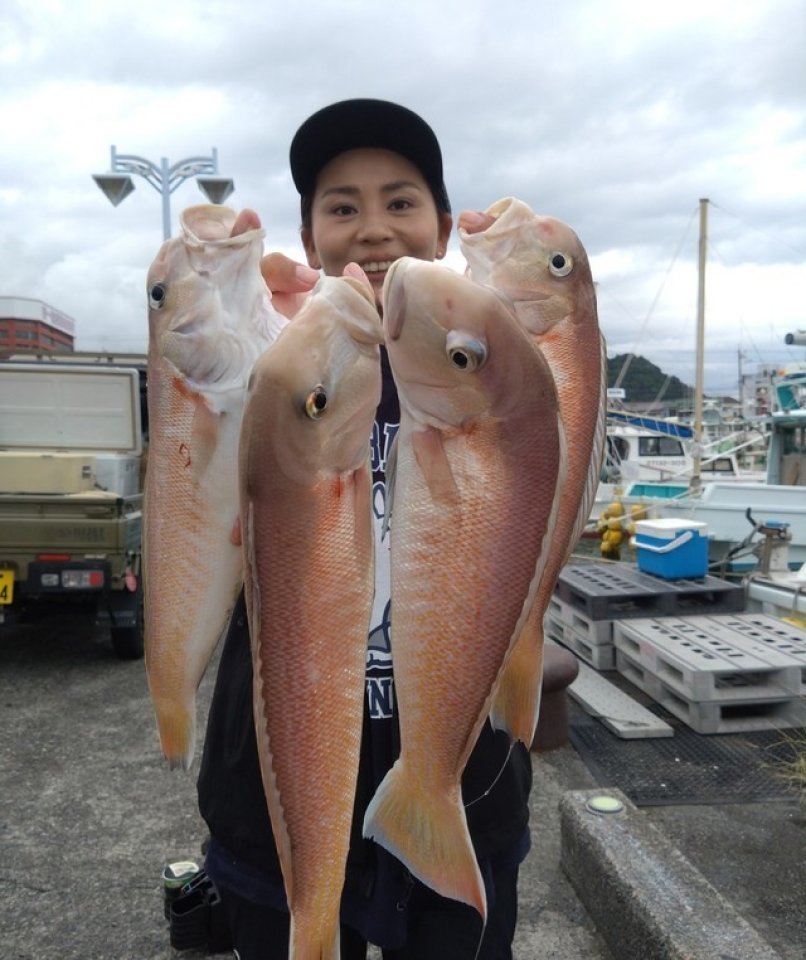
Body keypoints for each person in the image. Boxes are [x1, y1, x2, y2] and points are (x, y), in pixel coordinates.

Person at [196, 98, 533, 960]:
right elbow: (194, 477)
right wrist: (242, 325)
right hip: (281, 774)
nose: (374, 230)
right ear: (310, 239)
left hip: (463, 780)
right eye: (341, 207)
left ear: (445, 228)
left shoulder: (490, 381)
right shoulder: (279, 364)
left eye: (401, 202)